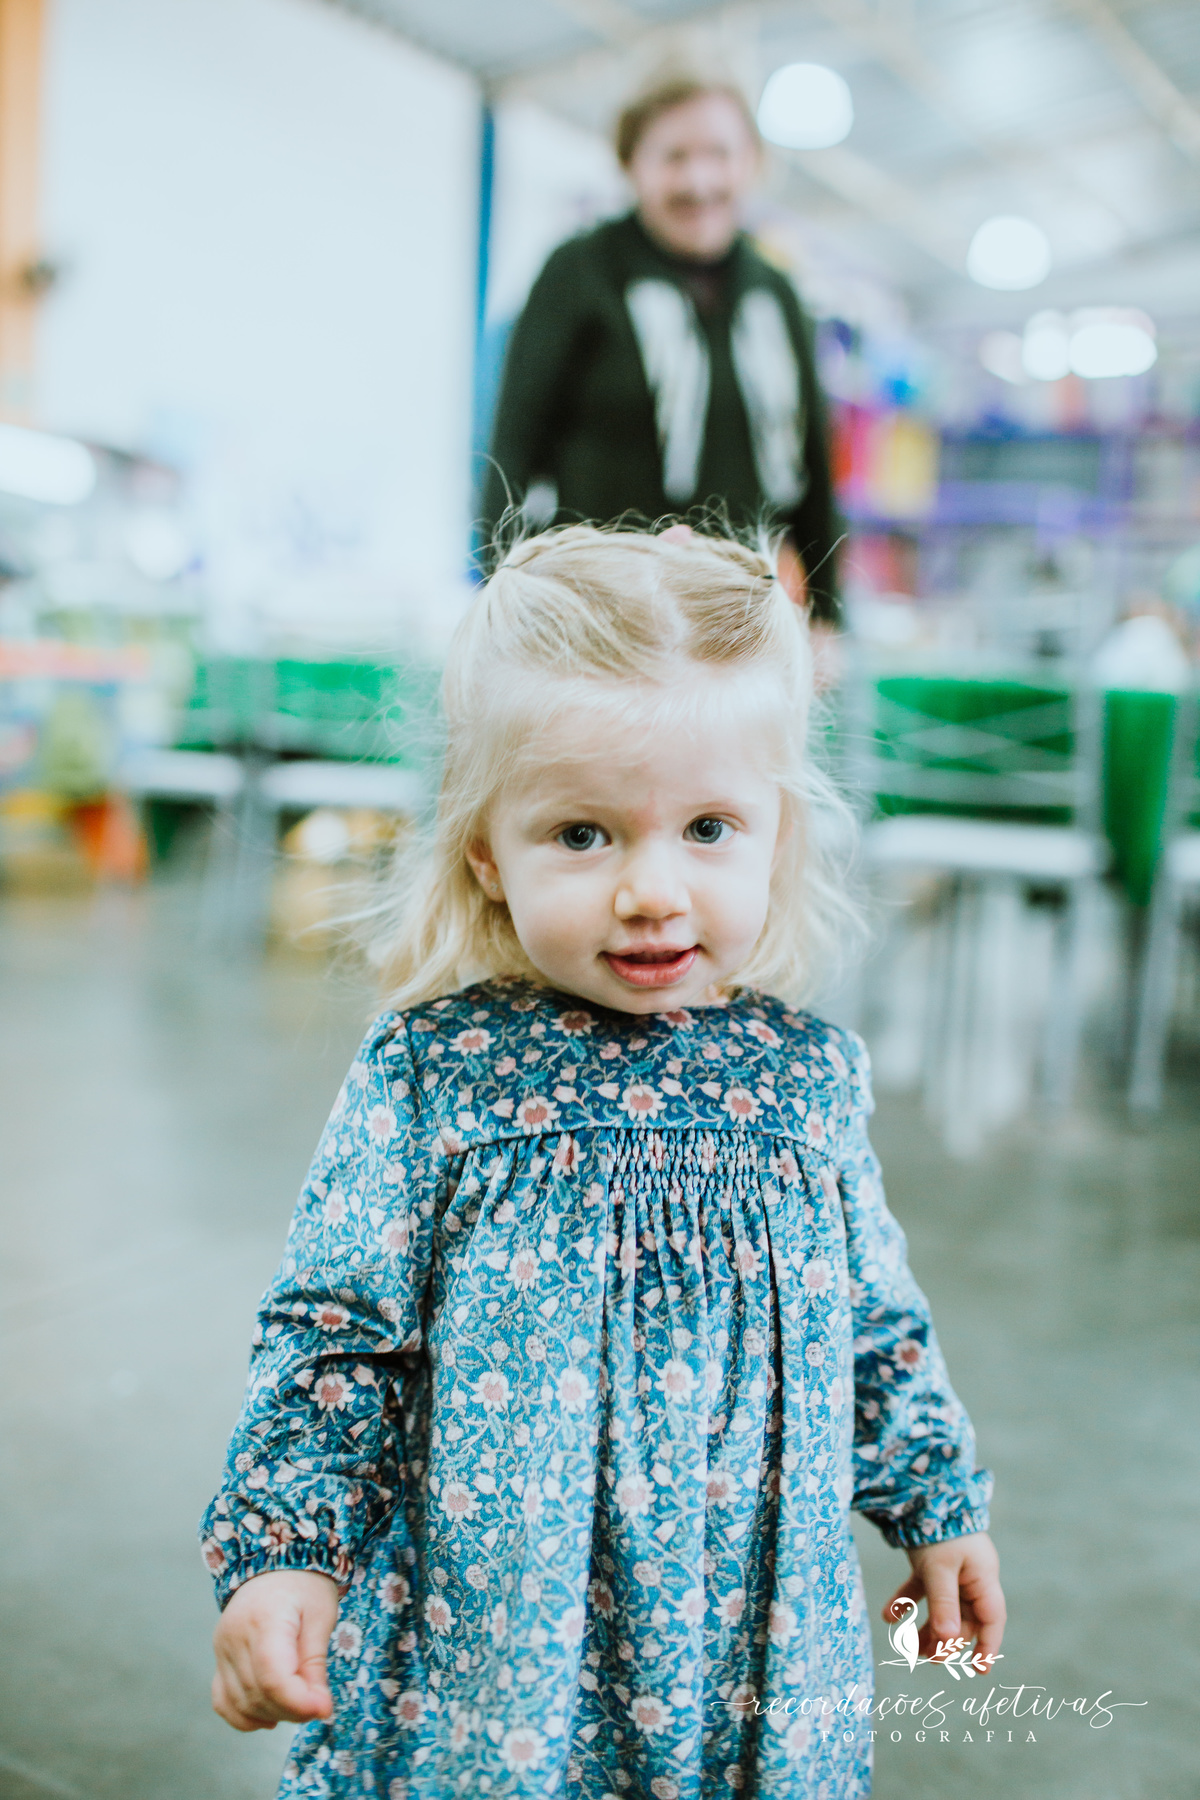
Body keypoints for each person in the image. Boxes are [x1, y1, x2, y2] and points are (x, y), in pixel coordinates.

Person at [201, 525, 1004, 1796]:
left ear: (779, 834)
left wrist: (935, 1503)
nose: (651, 889)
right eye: (582, 834)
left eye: (707, 827)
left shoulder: (808, 1078)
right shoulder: (437, 1071)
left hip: (754, 1637)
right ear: (487, 851)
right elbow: (335, 1336)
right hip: (498, 1650)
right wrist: (288, 1553)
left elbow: (872, 1320)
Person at [480, 79, 843, 625]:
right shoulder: (580, 272)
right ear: (632, 165)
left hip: (739, 616)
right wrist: (498, 595)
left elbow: (816, 465)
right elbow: (511, 447)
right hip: (601, 614)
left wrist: (828, 618)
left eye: (719, 154)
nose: (699, 181)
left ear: (750, 162)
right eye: (673, 157)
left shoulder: (777, 294)